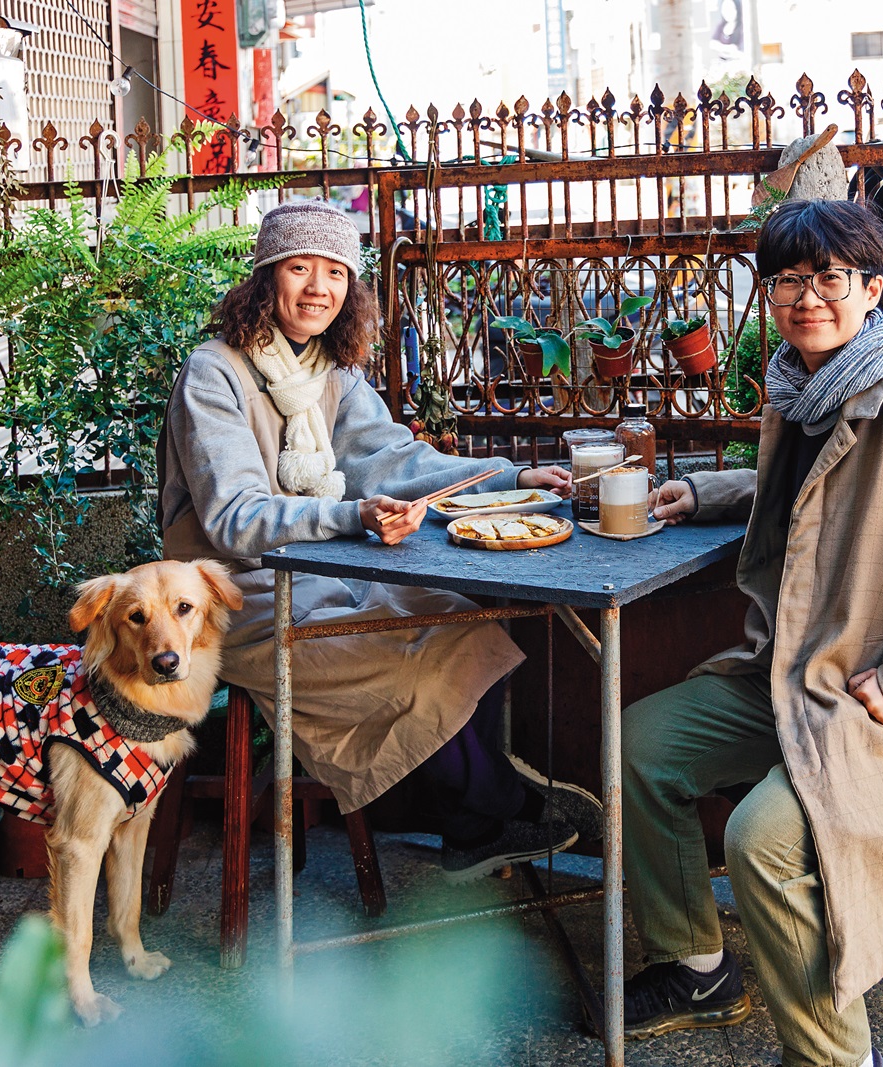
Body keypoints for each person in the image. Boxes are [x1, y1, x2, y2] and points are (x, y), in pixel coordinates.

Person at [620, 198, 883, 1067]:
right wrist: (711, 492)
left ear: (870, 287)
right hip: (799, 672)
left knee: (760, 838)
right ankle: (697, 967)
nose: (807, 296)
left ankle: (835, 1056)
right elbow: (822, 489)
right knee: (641, 743)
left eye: (829, 277)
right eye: (787, 278)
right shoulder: (804, 388)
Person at [160, 200, 601, 880]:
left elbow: (398, 461)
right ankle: (500, 805)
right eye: (299, 268)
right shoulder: (214, 372)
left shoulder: (331, 373)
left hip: (329, 572)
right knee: (406, 666)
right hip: (235, 598)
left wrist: (507, 475)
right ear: (263, 279)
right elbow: (235, 517)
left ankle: (471, 824)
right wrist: (351, 516)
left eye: (335, 272)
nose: (318, 288)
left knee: (456, 613)